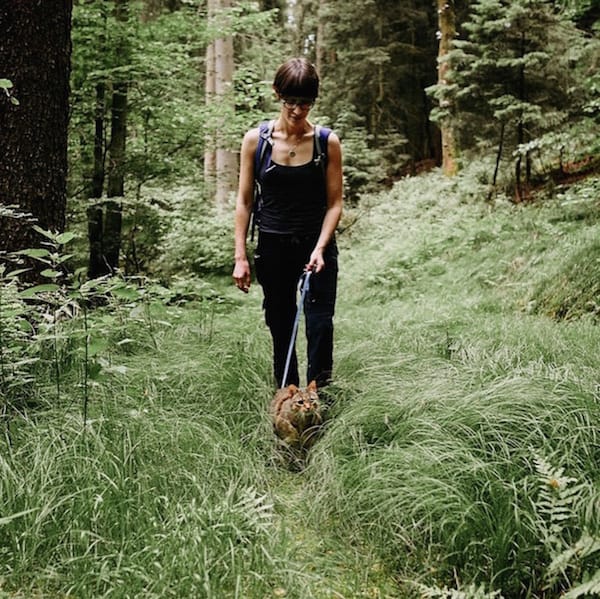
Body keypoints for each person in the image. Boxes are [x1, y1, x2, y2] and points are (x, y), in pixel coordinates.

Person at [232, 57, 343, 390]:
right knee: (281, 326)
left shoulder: (327, 142)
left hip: (317, 245)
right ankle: (286, 399)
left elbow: (335, 204)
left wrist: (321, 248)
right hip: (273, 245)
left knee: (320, 325)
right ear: (277, 94)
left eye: (306, 102)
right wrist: (240, 256)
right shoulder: (257, 140)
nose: (297, 109)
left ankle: (321, 398)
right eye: (291, 101)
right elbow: (245, 201)